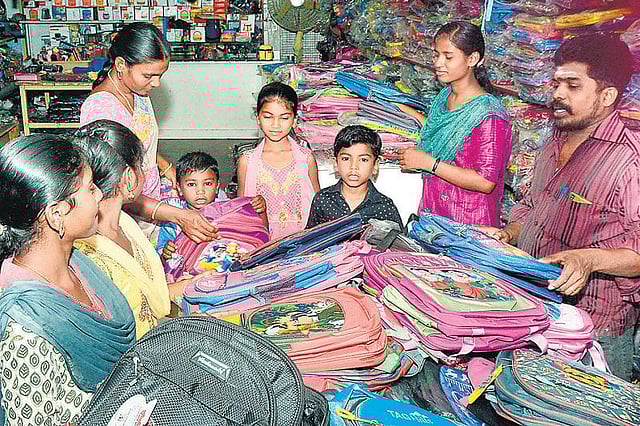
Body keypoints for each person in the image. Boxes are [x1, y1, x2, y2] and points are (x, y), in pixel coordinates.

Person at [484, 34, 639, 381]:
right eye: (556, 83)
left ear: (607, 96)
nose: (558, 94)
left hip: (594, 329)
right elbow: (533, 203)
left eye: (573, 85)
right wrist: (509, 233)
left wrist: (588, 260)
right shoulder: (555, 137)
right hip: (534, 307)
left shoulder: (630, 161)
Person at [0, 134, 136, 424]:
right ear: (57, 215)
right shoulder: (24, 330)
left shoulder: (79, 262)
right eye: (90, 188)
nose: (99, 195)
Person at [80, 22, 217, 243]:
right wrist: (178, 215)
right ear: (121, 64)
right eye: (149, 75)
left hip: (148, 200)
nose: (156, 83)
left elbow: (138, 142)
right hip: (125, 214)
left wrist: (164, 166)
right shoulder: (102, 109)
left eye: (160, 75)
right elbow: (113, 189)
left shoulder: (138, 91)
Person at [397, 21, 512, 226]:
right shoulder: (444, 97)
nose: (438, 63)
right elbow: (435, 133)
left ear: (472, 59)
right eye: (436, 55)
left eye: (448, 57)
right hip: (434, 212)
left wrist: (428, 163)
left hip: (469, 223)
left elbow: (485, 181)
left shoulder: (489, 116)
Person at [72, 120, 177, 338]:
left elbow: (143, 295)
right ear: (129, 178)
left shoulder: (125, 224)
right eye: (142, 166)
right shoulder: (89, 254)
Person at [237, 82, 320, 240]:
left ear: (294, 120)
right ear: (258, 118)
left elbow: (317, 204)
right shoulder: (246, 162)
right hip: (261, 242)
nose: (275, 125)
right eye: (268, 117)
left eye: (284, 118)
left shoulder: (306, 159)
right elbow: (240, 210)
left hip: (302, 241)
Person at [158, 151, 267, 261]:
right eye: (191, 184)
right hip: (190, 269)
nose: (200, 191)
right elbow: (160, 257)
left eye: (207, 183)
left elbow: (258, 236)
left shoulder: (228, 210)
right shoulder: (173, 220)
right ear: (179, 189)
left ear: (217, 186)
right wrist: (166, 253)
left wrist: (260, 211)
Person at [306, 125, 403, 229]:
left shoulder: (384, 206)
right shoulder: (323, 199)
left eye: (363, 160)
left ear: (375, 165)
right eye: (346, 158)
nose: (353, 166)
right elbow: (310, 236)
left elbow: (397, 238)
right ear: (335, 163)